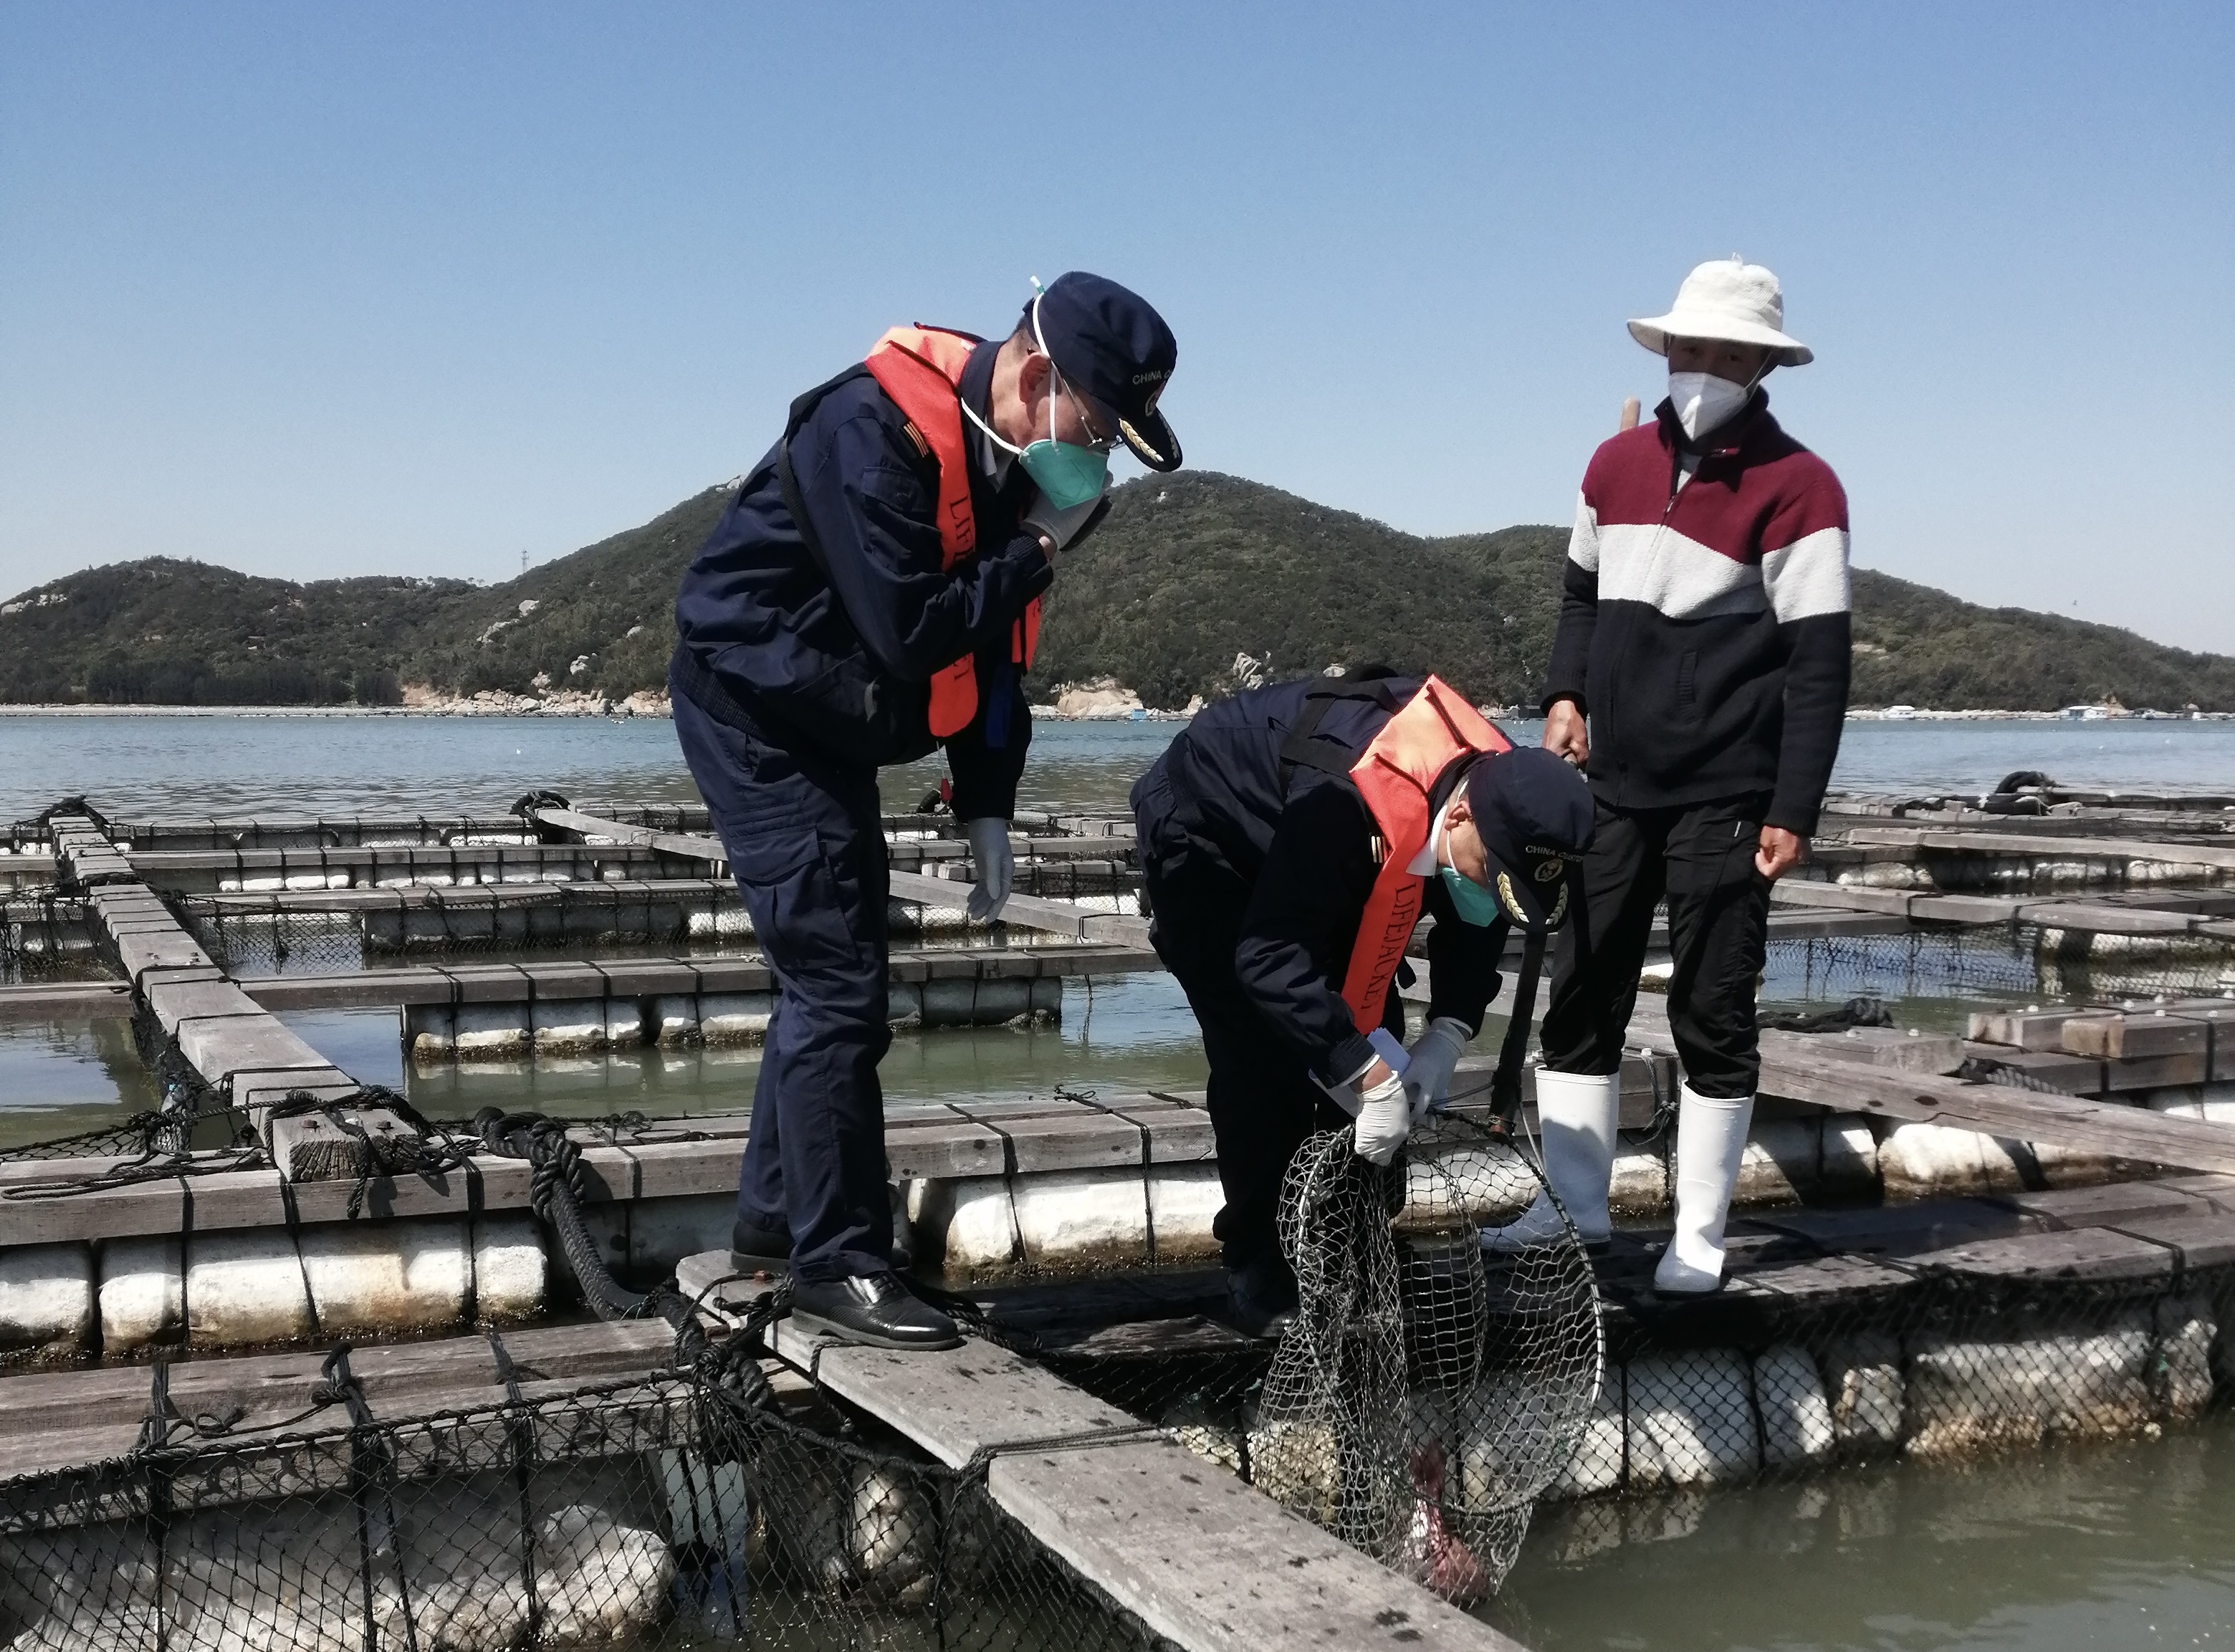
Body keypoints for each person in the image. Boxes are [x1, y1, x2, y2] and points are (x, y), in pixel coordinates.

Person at [670, 274, 1182, 1348]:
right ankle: (837, 1260)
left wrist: (988, 802)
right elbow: (913, 629)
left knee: (831, 970)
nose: (1093, 461)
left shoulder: (1005, 459)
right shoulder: (870, 429)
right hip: (753, 705)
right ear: (1037, 376)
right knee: (840, 981)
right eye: (1094, 429)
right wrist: (1039, 548)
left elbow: (991, 657)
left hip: (835, 716)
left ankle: (772, 1221)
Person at [1491, 256, 1851, 1294]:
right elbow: (1574, 596)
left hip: (1729, 792)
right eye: (1689, 348)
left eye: (1726, 354)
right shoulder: (1610, 466)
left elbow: (1819, 662)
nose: (1703, 366)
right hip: (1608, 783)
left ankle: (1697, 1230)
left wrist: (1793, 805)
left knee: (1711, 1006)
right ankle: (1571, 1205)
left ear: (1760, 365)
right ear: (1668, 349)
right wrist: (1563, 695)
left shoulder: (1799, 487)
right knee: (1579, 988)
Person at [1132, 671, 1595, 1337]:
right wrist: (1365, 1074)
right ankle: (1257, 1258)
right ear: (1460, 816)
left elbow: (1481, 914)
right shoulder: (1346, 801)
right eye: (1488, 873)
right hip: (1209, 835)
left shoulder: (1501, 792)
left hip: (1343, 844)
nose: (1491, 892)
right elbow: (1268, 960)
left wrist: (1448, 1034)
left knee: (1371, 1028)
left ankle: (1354, 1243)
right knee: (1261, 1049)